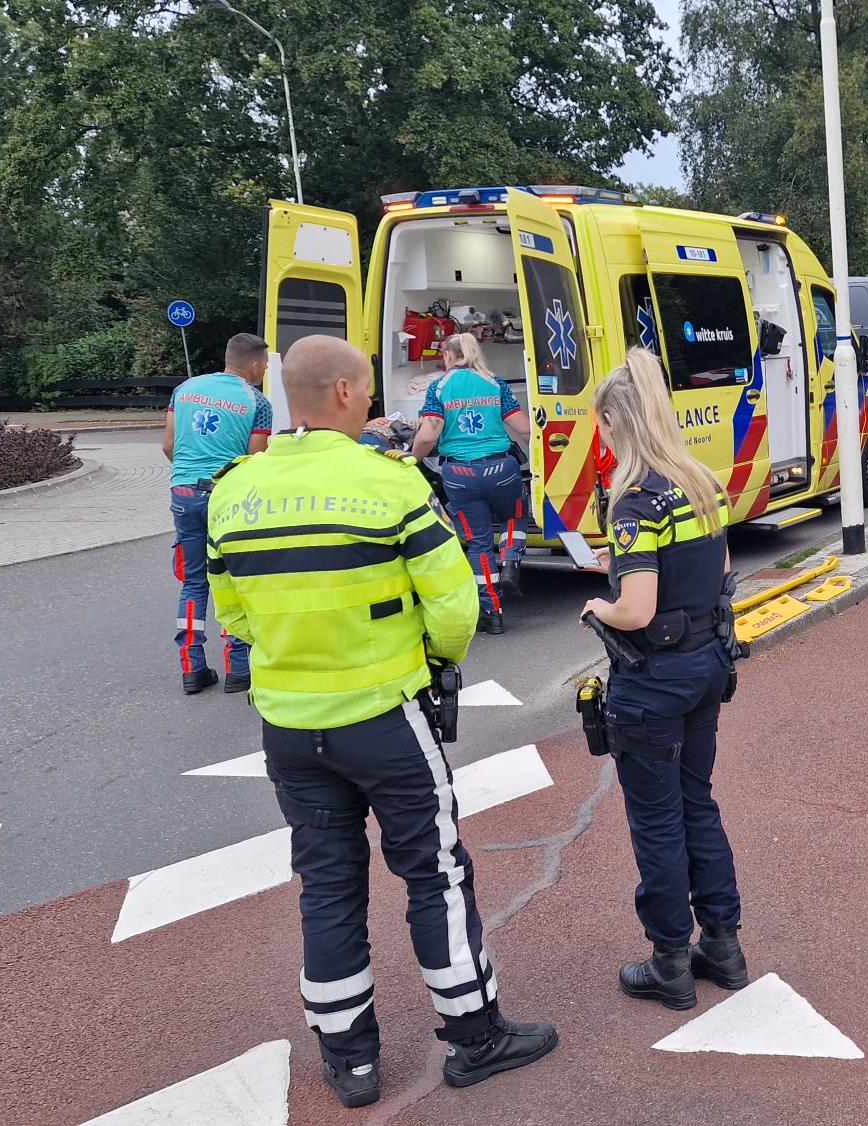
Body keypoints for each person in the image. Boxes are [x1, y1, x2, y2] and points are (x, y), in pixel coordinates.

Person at [207, 336, 558, 1109]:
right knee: (435, 871)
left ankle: (350, 1060)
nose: (373, 405)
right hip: (385, 717)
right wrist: (431, 657)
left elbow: (230, 609)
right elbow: (455, 603)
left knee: (327, 886)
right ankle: (475, 1035)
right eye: (365, 391)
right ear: (339, 392)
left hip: (291, 730)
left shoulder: (236, 490)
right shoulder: (386, 483)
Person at [581, 347, 748, 1012]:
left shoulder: (632, 502)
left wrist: (602, 602)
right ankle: (725, 946)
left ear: (614, 425)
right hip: (707, 666)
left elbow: (638, 609)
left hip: (652, 682)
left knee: (655, 821)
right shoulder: (701, 481)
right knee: (697, 802)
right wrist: (621, 565)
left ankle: (670, 962)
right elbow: (717, 569)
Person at [163, 332, 271, 695]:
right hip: (226, 498)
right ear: (255, 365)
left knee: (194, 581)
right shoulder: (256, 400)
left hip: (183, 493)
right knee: (234, 578)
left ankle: (192, 667)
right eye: (266, 363)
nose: (266, 369)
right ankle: (238, 668)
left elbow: (169, 445)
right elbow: (255, 462)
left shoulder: (185, 389)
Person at [413, 334, 533, 636]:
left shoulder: (439, 387)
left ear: (448, 356)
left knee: (479, 543)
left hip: (460, 475)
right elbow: (525, 429)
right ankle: (509, 561)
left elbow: (428, 436)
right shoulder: (495, 384)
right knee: (515, 513)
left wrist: (412, 459)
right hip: (502, 469)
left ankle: (492, 612)